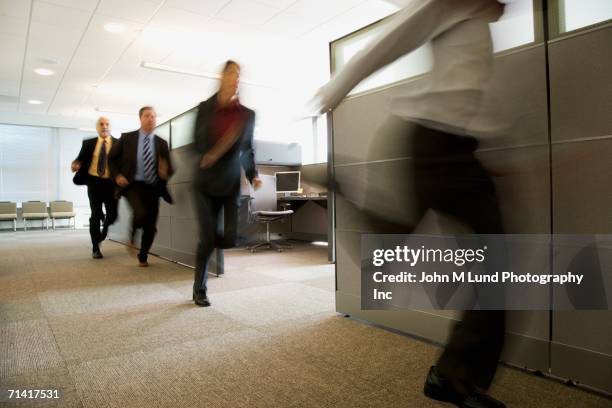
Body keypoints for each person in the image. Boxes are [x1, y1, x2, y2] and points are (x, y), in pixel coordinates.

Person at [311, 1, 507, 407]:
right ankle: (454, 377)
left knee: (393, 243)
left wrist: (492, 148)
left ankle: (452, 376)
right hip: (436, 143)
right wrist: (336, 88)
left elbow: (469, 89)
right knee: (500, 265)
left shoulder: (478, 20)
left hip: (452, 148)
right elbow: (395, 38)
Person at [191, 60, 262, 307]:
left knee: (232, 238)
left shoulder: (246, 115)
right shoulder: (204, 109)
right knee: (208, 240)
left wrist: (253, 174)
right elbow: (197, 142)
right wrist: (210, 153)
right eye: (232, 73)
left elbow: (247, 149)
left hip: (229, 183)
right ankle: (199, 289)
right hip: (204, 184)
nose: (236, 78)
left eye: (239, 75)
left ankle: (210, 238)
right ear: (222, 77)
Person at [109, 106, 174, 267]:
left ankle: (143, 255)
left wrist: (165, 171)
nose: (151, 119)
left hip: (153, 187)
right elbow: (111, 159)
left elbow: (169, 167)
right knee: (140, 212)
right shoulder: (127, 138)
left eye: (153, 116)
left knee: (151, 226)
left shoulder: (161, 143)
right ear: (140, 118)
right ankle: (132, 235)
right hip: (132, 185)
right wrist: (117, 175)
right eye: (147, 116)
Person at [72, 117, 119, 259]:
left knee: (113, 216)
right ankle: (95, 248)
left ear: (111, 127)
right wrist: (75, 164)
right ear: (97, 127)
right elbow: (78, 159)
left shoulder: (118, 144)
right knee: (95, 215)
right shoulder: (88, 143)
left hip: (111, 184)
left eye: (107, 124)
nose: (104, 126)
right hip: (94, 183)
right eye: (101, 124)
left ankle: (103, 231)